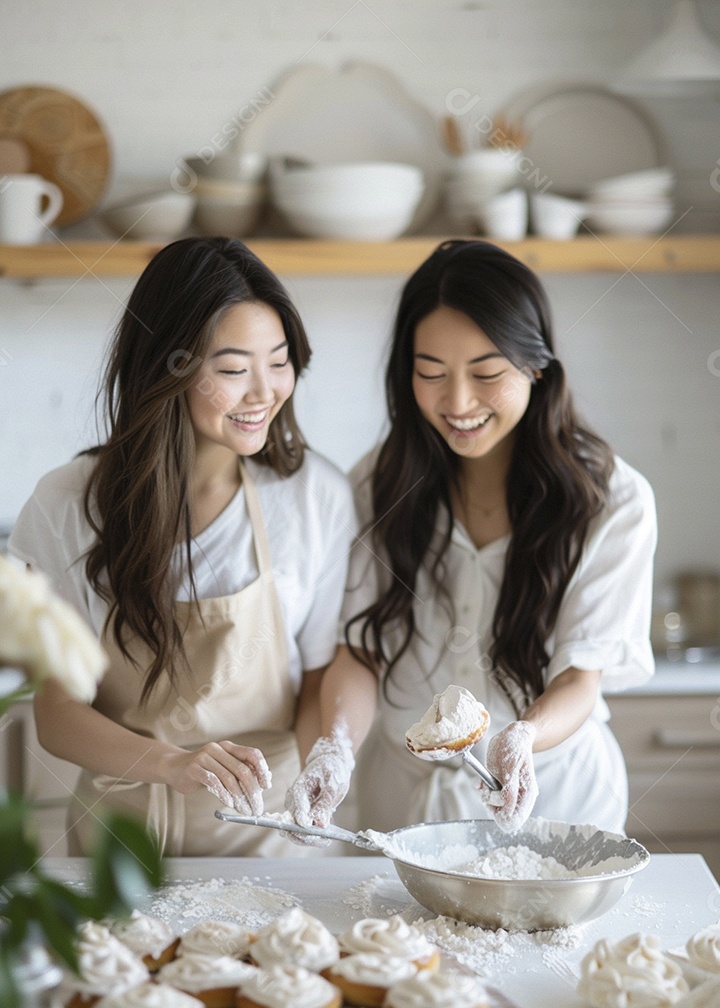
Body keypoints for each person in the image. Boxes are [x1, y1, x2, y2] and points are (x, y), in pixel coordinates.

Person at [285, 239, 657, 838]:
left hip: (556, 801)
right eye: (430, 373)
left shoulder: (612, 500)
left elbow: (579, 675)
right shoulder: (375, 487)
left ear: (537, 365)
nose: (457, 404)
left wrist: (524, 736)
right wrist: (334, 745)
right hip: (401, 805)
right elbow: (359, 650)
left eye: (486, 374)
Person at [9, 236, 356, 857]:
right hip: (119, 855)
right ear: (166, 367)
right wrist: (171, 763)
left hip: (273, 848)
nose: (264, 392)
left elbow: (321, 674)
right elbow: (56, 715)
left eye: (279, 362)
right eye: (231, 369)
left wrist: (325, 752)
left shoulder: (314, 498)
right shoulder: (66, 504)